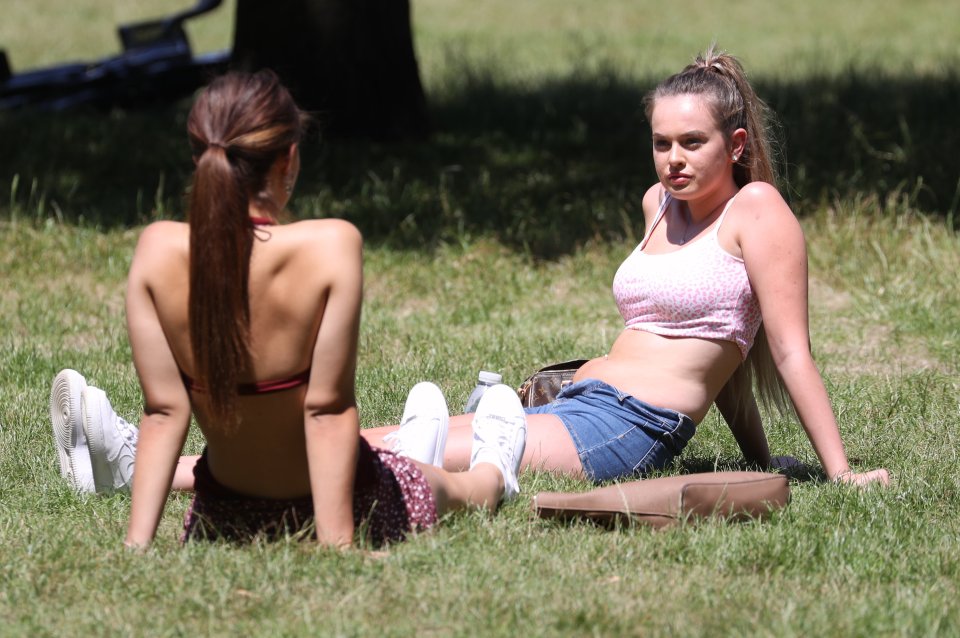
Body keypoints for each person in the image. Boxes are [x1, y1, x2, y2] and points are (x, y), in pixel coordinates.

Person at [56, 46, 889, 498]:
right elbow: (729, 361)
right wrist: (760, 456)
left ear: (736, 146)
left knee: (385, 451)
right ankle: (147, 464)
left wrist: (838, 472)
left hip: (632, 429)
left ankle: (143, 463)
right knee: (392, 442)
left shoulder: (761, 215)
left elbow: (783, 351)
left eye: (693, 144)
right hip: (583, 397)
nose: (672, 160)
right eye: (662, 142)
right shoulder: (657, 203)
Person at [50, 70, 527, 548]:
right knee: (460, 488)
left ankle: (417, 445)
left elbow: (163, 413)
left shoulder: (156, 250)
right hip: (351, 500)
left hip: (225, 514)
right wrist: (337, 547)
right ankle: (495, 467)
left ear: (199, 157)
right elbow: (326, 411)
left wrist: (137, 547)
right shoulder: (331, 246)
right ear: (290, 158)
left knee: (407, 466)